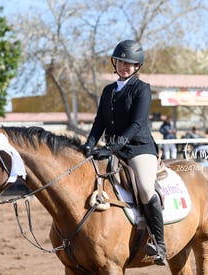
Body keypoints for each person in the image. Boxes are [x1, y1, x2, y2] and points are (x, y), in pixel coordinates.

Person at [83, 40, 166, 265]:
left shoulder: (142, 89)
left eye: (129, 64)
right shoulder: (108, 90)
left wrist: (111, 147)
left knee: (146, 188)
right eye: (120, 62)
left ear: (137, 66)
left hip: (139, 149)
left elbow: (137, 124)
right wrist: (89, 144)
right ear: (115, 63)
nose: (124, 67)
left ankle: (159, 244)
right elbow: (99, 122)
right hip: (113, 150)